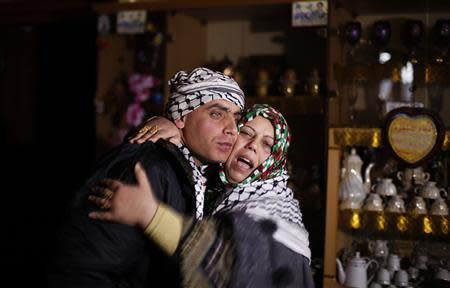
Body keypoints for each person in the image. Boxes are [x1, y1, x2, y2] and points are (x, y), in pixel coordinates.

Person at [47, 67, 245, 287]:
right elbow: (83, 268)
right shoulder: (147, 166)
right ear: (181, 117)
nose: (232, 129)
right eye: (216, 114)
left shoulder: (204, 175)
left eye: (236, 118)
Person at [88, 104, 314, 287]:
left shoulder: (275, 209)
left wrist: (148, 215)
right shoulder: (216, 188)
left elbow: (234, 261)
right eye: (246, 133)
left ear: (276, 162)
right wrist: (176, 129)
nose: (253, 146)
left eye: (267, 145)